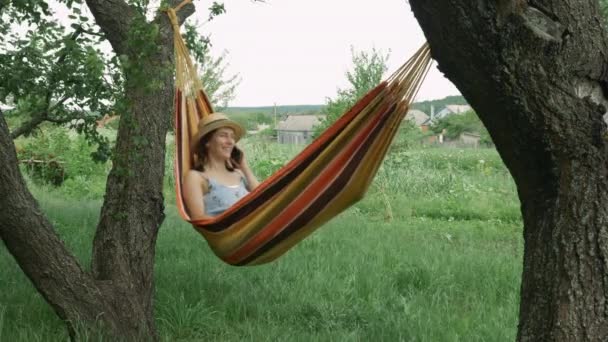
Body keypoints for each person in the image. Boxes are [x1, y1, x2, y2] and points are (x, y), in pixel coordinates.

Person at [183, 113, 259, 220]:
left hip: (257, 229)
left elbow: (263, 198)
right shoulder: (196, 177)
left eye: (232, 137)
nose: (230, 142)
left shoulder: (239, 174)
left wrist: (244, 166)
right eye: (223, 135)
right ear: (207, 142)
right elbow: (198, 218)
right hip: (232, 233)